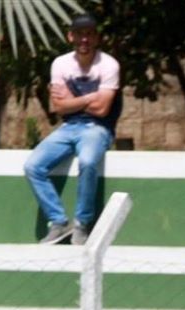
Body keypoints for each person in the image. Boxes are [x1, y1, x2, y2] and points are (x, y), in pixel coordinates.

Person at [23, 12, 120, 246]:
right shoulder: (61, 64)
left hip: (98, 129)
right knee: (33, 166)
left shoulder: (108, 65)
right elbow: (59, 107)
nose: (84, 40)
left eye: (89, 34)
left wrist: (73, 100)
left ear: (96, 38)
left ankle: (82, 224)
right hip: (69, 127)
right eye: (79, 34)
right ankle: (58, 222)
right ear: (70, 36)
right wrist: (91, 98)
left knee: (87, 162)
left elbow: (103, 109)